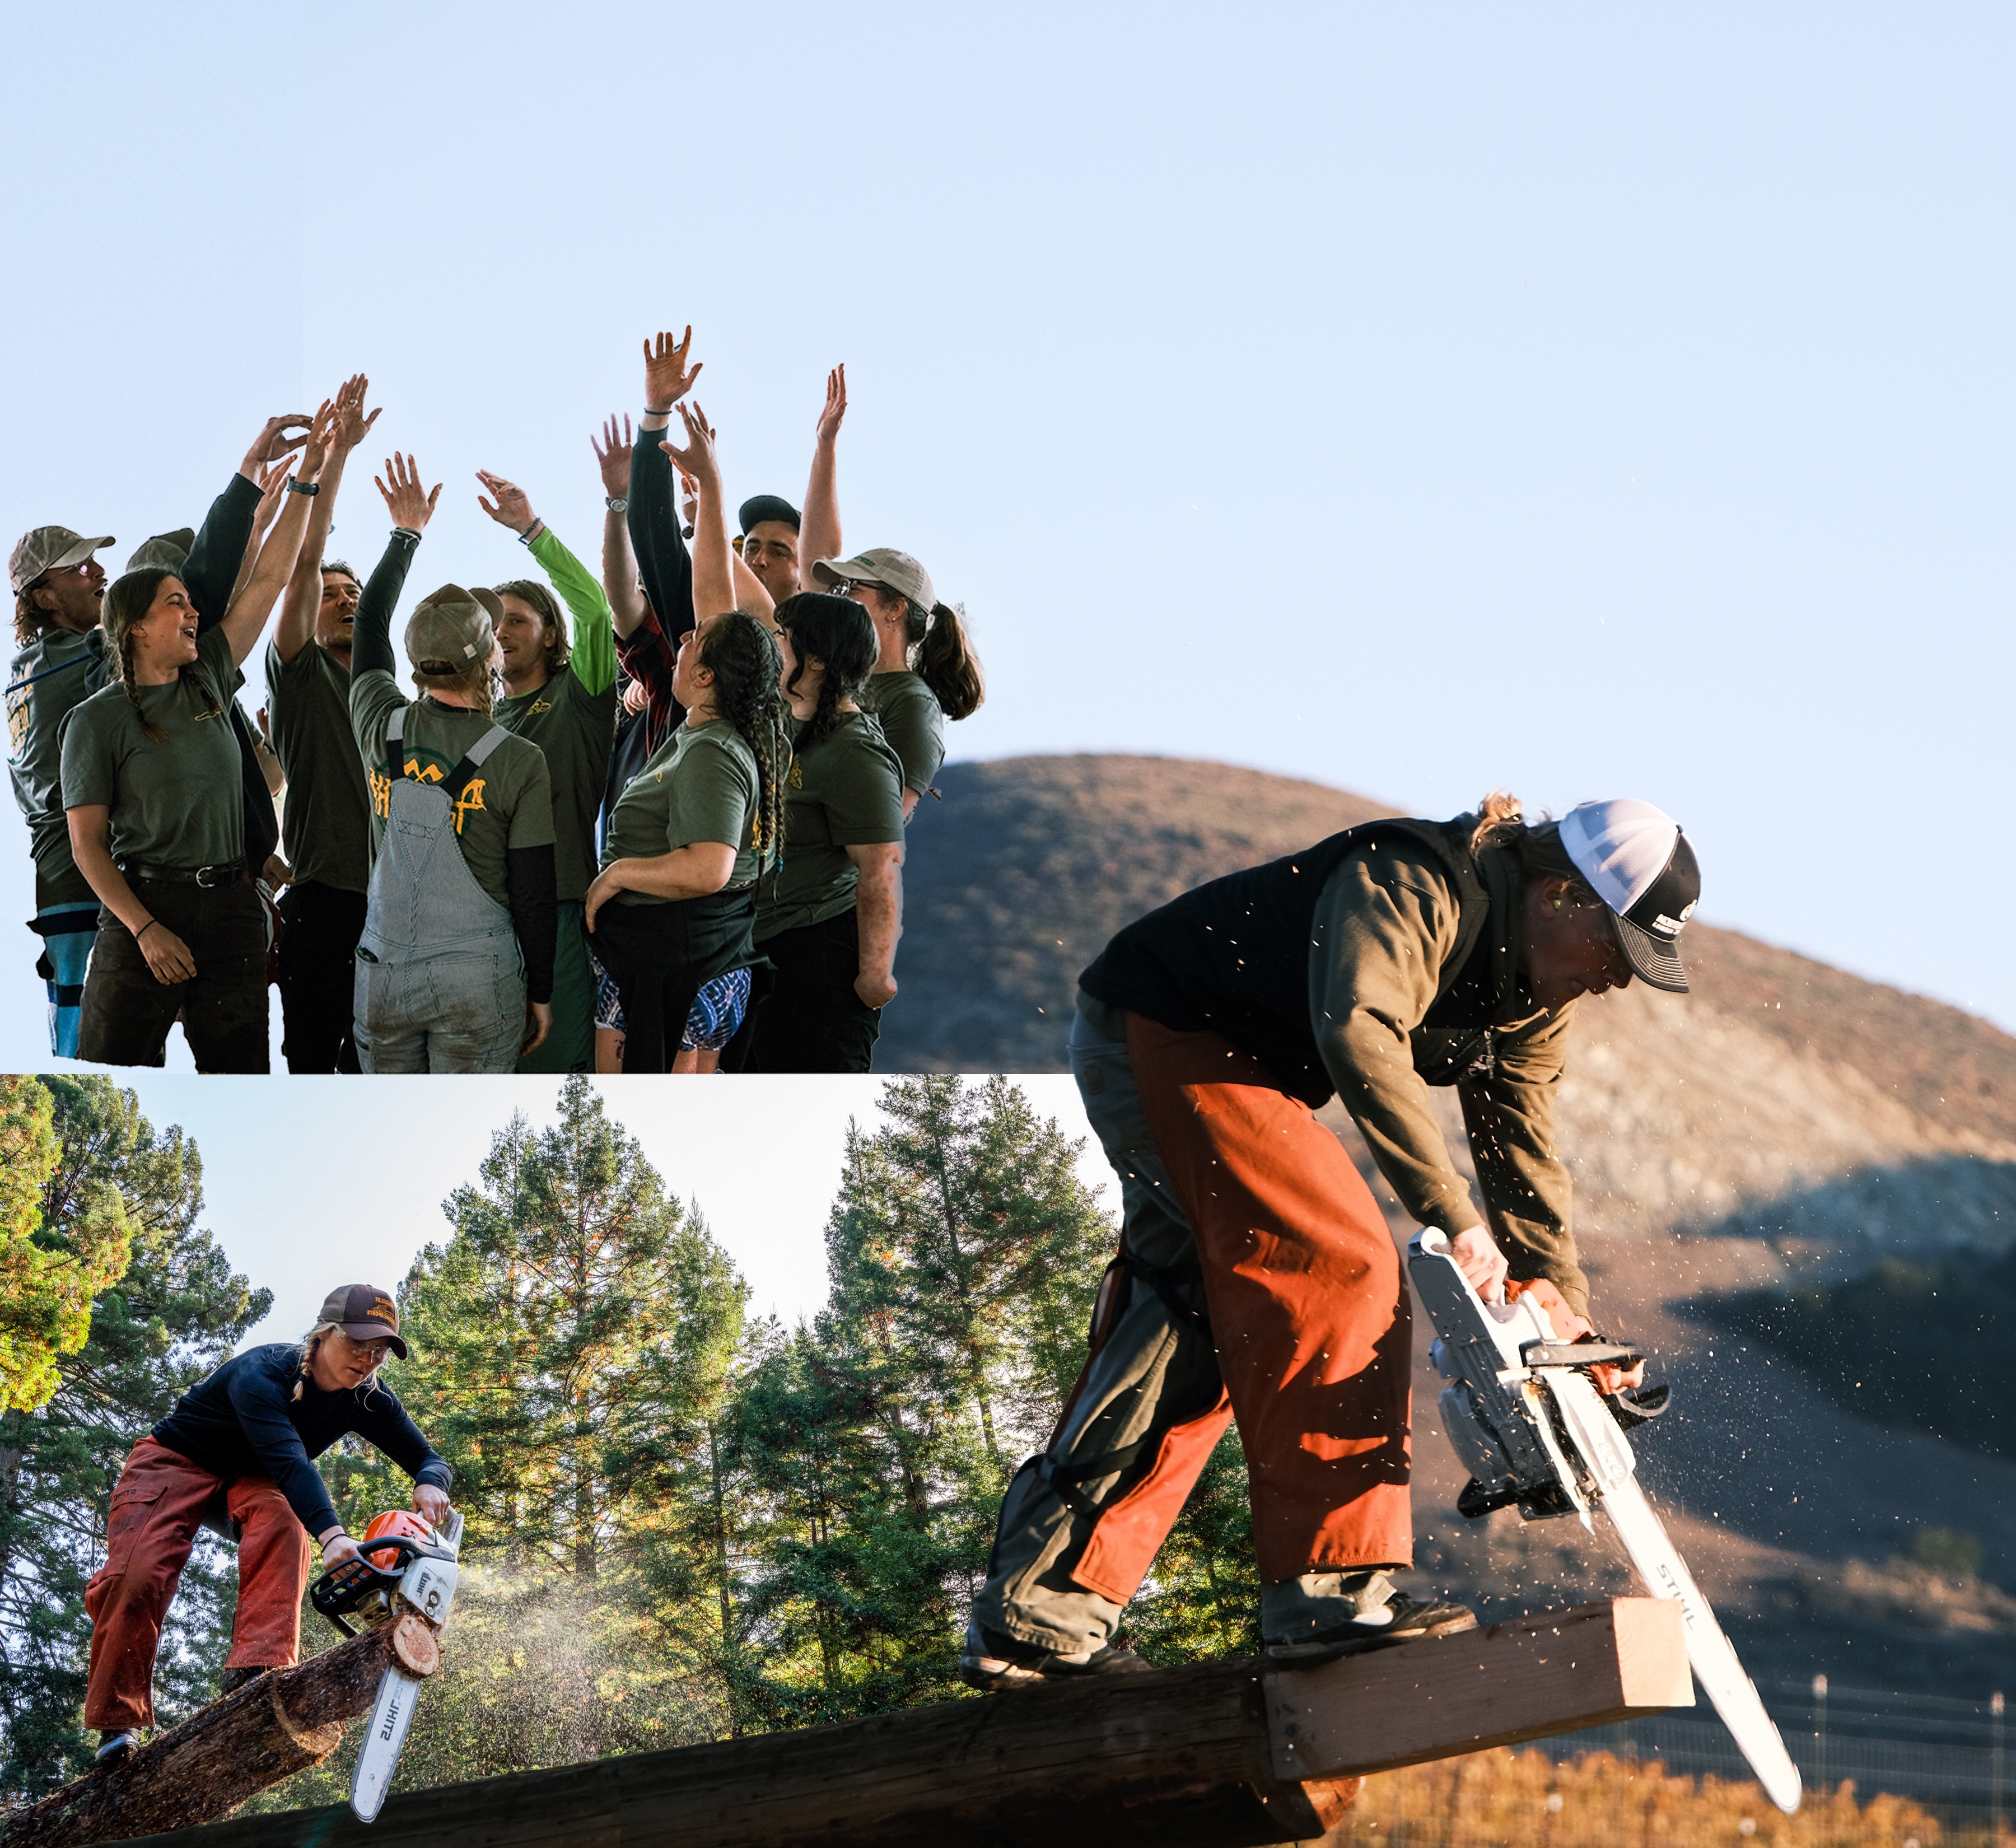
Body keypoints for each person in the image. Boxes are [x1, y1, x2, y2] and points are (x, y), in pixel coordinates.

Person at [962, 795, 1692, 1688]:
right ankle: (1333, 1595)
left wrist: (1562, 1308)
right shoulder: (1417, 882)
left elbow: (1522, 1144)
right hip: (1166, 1031)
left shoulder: (1536, 997)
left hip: (1231, 1064)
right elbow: (1360, 1027)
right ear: (1560, 895)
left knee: (1190, 1323)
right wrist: (1456, 1220)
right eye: (1617, 948)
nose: (1618, 979)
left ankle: (1037, 1614)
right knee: (1338, 1266)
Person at [7, 415, 310, 1057]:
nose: (98, 572)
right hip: (107, 887)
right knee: (97, 1060)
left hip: (71, 887)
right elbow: (219, 587)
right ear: (45, 597)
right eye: (78, 568)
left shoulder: (26, 676)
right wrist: (249, 497)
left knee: (88, 1049)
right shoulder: (88, 669)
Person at [84, 1285, 452, 1764]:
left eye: (380, 1351)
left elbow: (429, 1457)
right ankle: (118, 1722)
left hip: (252, 1477)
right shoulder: (263, 1372)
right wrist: (333, 1536)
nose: (368, 1360)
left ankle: (255, 1675)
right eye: (359, 1344)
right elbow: (290, 1463)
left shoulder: (368, 1397)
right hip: (175, 1462)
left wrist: (430, 1482)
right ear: (325, 1333)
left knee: (285, 1528)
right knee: (139, 1573)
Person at [347, 453, 558, 1073]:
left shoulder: (377, 719)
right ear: (489, 658)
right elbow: (534, 892)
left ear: (414, 662)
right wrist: (541, 991)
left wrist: (405, 533)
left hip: (382, 974)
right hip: (477, 980)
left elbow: (369, 622)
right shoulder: (520, 760)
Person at [585, 610, 786, 1072]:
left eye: (696, 636)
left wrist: (617, 875)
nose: (683, 635)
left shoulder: (713, 751)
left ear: (704, 676)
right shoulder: (709, 732)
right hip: (689, 956)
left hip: (676, 966)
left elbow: (708, 868)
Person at [473, 467, 621, 1074]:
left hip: (560, 909)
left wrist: (531, 529)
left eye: (517, 620)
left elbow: (596, 611)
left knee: (555, 1074)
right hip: (485, 923)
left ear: (551, 634)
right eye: (493, 623)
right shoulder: (477, 722)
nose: (501, 631)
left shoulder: (579, 694)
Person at [267, 375, 384, 1072]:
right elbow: (304, 561)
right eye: (331, 595)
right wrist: (336, 456)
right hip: (323, 905)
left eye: (354, 593)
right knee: (313, 1070)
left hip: (393, 911)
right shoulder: (300, 676)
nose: (344, 601)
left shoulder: (390, 693)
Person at [741, 591, 906, 1073]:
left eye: (782, 637)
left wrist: (875, 975)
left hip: (818, 959)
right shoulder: (779, 723)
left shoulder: (856, 751)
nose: (772, 646)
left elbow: (881, 867)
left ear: (814, 659)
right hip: (759, 951)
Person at [816, 547, 984, 817]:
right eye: (837, 588)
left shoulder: (915, 704)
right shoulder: (834, 680)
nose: (837, 598)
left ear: (895, 608)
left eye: (851, 588)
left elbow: (884, 818)